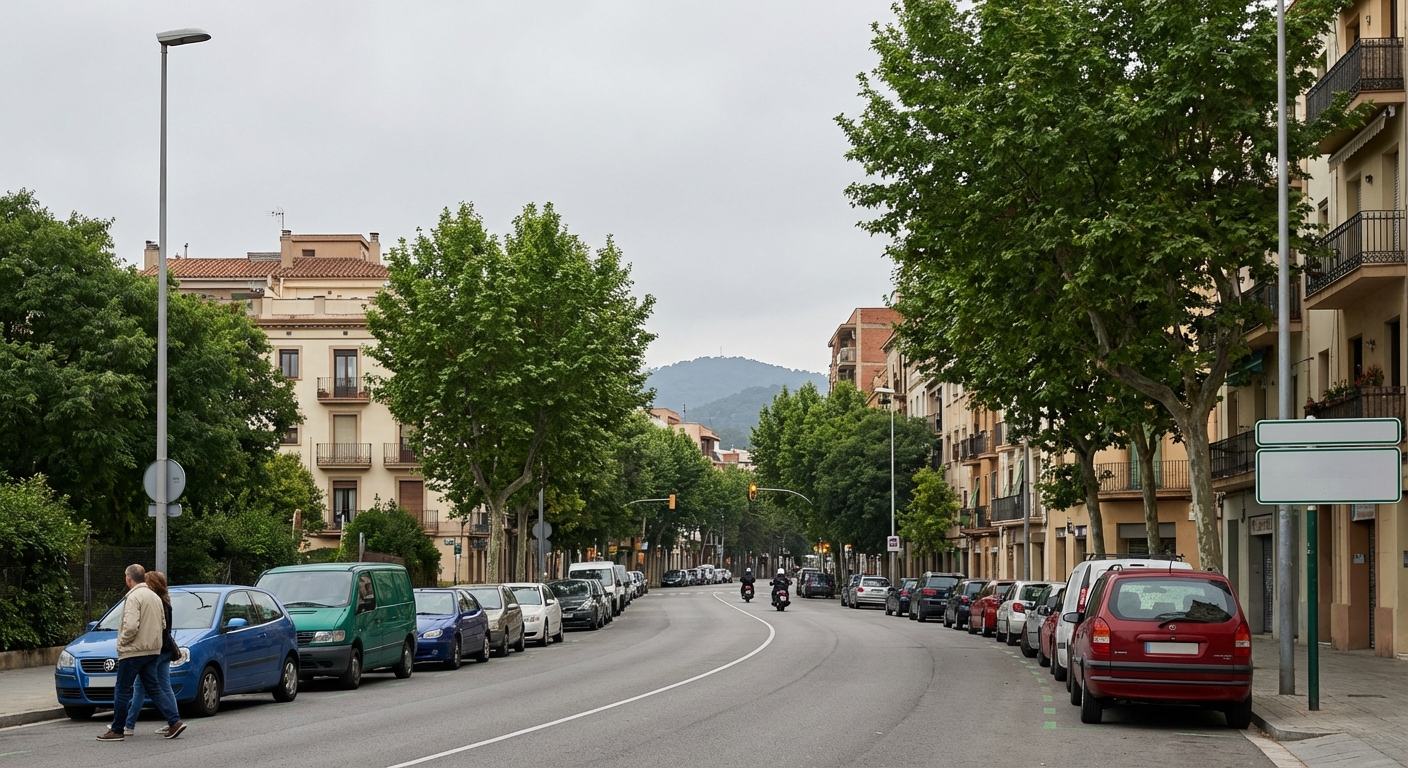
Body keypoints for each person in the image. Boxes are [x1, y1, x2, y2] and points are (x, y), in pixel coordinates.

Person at [97, 565, 186, 742]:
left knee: (122, 689)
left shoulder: (133, 597)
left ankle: (117, 729)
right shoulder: (155, 597)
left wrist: (122, 642)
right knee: (154, 688)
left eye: (125, 577)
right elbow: (162, 624)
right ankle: (174, 721)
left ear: (129, 579)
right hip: (152, 651)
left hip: (133, 651)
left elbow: (130, 626)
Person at [124, 571, 182, 737]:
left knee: (140, 687)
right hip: (165, 650)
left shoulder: (153, 602)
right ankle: (173, 720)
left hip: (154, 650)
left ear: (152, 585)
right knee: (164, 685)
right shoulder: (165, 602)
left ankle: (127, 725)